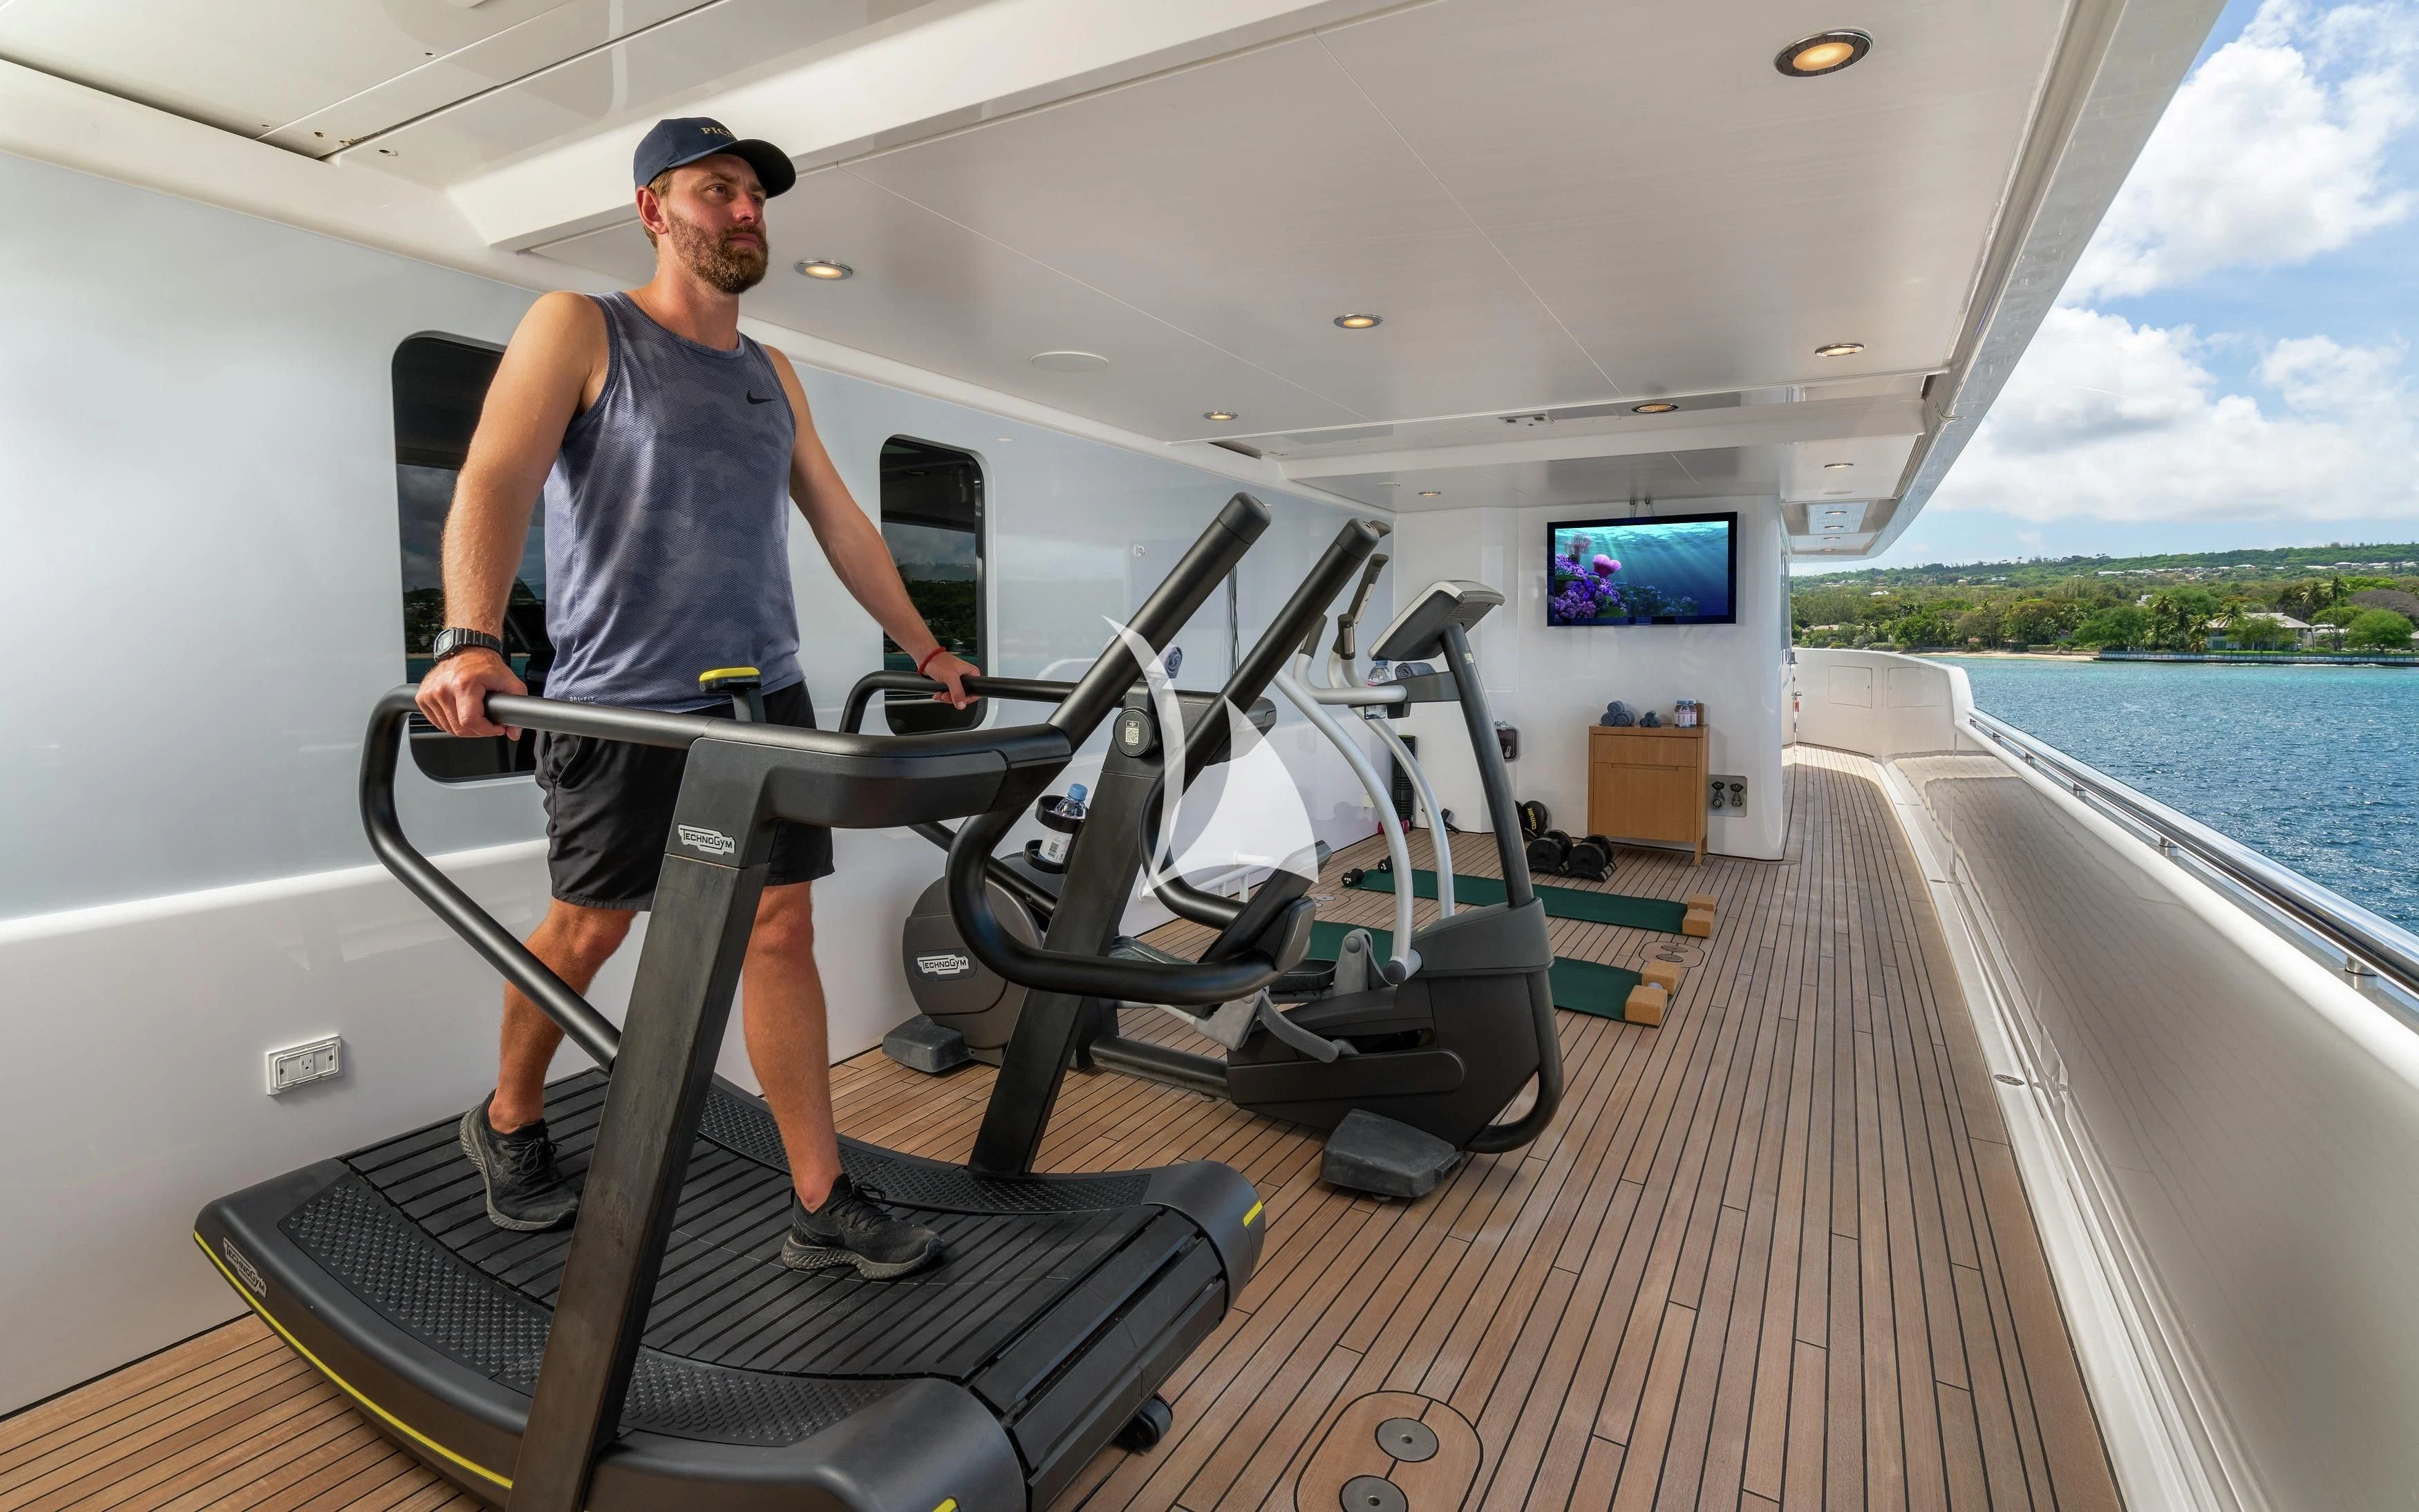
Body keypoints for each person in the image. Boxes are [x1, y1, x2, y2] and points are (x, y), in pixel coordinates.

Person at [414, 117, 975, 1281]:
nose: (744, 210)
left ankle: (819, 1197)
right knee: (592, 928)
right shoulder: (582, 326)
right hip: (624, 705)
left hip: (763, 704)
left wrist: (927, 650)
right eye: (716, 190)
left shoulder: (772, 372)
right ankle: (509, 1118)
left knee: (781, 928)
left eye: (755, 195)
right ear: (652, 210)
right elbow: (498, 473)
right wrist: (470, 638)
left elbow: (840, 522)